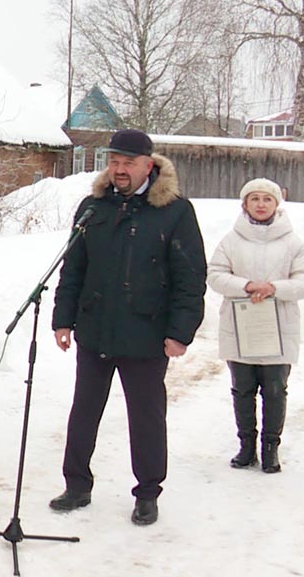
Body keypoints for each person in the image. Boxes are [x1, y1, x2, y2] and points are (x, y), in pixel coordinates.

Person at [48, 129, 207, 527]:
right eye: (115, 162)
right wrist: (63, 318)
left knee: (147, 416)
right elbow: (74, 267)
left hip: (147, 333)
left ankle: (148, 493)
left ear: (148, 166)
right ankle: (77, 485)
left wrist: (180, 331)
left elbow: (190, 278)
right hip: (96, 328)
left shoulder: (174, 211)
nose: (120, 170)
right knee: (84, 410)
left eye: (128, 163)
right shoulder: (93, 207)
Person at [207, 178, 304, 473]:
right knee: (242, 390)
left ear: (276, 204)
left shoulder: (292, 242)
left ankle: (271, 448)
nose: (260, 204)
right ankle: (246, 447)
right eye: (254, 199)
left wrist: (273, 288)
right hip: (241, 329)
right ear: (245, 204)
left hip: (278, 331)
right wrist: (246, 285)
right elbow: (215, 275)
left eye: (267, 199)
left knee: (275, 390)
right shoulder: (231, 240)